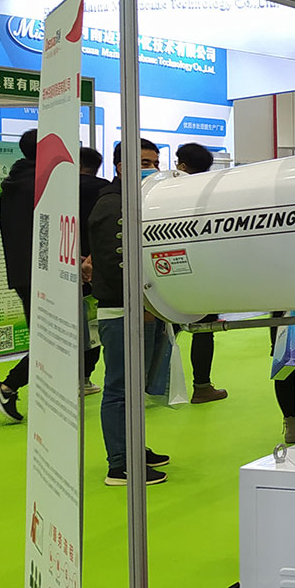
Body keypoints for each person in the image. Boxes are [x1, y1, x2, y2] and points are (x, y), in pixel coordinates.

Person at [88, 138, 170, 485]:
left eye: (155, 163)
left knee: (135, 388)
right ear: (122, 167)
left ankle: (133, 447)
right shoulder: (112, 205)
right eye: (144, 163)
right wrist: (142, 303)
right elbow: (113, 264)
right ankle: (120, 464)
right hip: (123, 311)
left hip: (142, 309)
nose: (152, 169)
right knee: (120, 389)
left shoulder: (138, 202)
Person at [0, 129, 37, 421]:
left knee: (51, 337)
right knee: (55, 339)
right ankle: (7, 386)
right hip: (41, 274)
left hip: (23, 272)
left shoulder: (16, 182)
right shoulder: (37, 184)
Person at [174, 143, 227, 404]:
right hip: (203, 274)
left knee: (163, 330)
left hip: (169, 269)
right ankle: (202, 386)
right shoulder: (210, 194)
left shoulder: (170, 193)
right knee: (203, 329)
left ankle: (148, 384)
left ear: (182, 165)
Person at [79, 146, 110, 395]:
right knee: (92, 322)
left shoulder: (61, 190)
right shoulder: (105, 190)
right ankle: (85, 378)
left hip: (64, 262)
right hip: (95, 263)